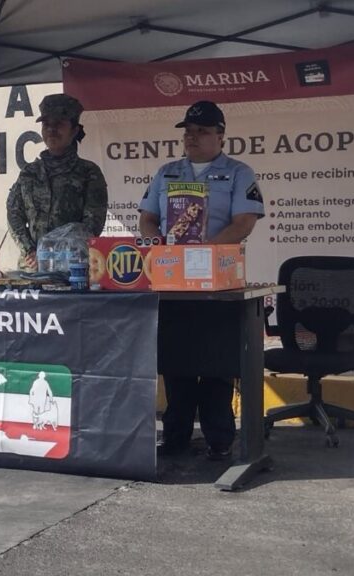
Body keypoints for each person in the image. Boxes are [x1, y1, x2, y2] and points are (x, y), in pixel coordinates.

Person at [138, 100, 265, 460]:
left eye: (202, 131)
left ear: (220, 136)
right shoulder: (167, 172)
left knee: (216, 365)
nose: (192, 137)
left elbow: (244, 223)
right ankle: (175, 436)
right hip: (172, 282)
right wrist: (160, 247)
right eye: (188, 132)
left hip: (216, 281)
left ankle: (220, 440)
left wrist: (203, 252)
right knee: (175, 362)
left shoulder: (239, 172)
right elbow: (148, 219)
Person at [7, 94, 108, 271]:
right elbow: (14, 213)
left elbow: (92, 225)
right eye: (46, 125)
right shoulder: (29, 173)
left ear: (75, 130)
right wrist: (29, 250)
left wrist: (52, 254)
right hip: (32, 268)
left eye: (59, 124)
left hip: (70, 269)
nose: (51, 130)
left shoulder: (88, 172)